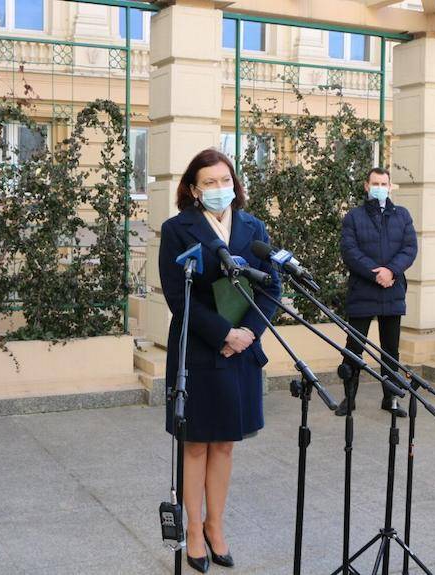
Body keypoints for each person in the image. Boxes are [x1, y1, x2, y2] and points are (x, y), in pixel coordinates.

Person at [158, 149, 281, 572]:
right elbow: (178, 295)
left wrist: (246, 334)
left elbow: (271, 289)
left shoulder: (253, 226)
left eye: (223, 180)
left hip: (241, 350)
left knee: (225, 444)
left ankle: (216, 525)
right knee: (195, 445)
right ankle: (193, 529)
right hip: (198, 347)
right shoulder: (177, 229)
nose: (217, 189)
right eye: (207, 183)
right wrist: (222, 333)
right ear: (193, 189)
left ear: (235, 183)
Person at [337, 167, 417, 417]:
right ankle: (349, 399)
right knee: (354, 347)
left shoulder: (402, 216)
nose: (379, 187)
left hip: (392, 291)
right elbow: (350, 252)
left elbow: (409, 248)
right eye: (375, 183)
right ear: (366, 185)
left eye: (384, 183)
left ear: (390, 186)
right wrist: (376, 274)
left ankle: (390, 398)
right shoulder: (354, 217)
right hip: (363, 290)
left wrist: (391, 271)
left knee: (390, 350)